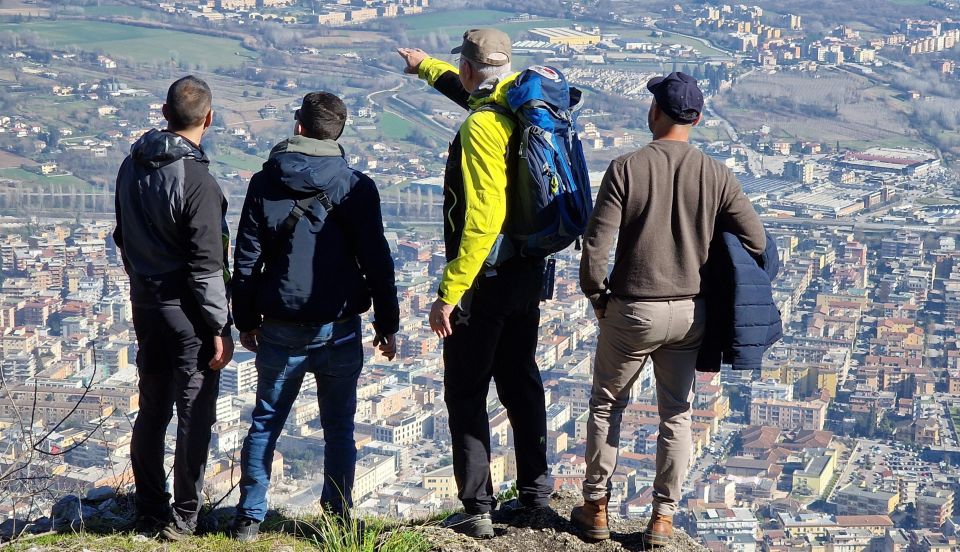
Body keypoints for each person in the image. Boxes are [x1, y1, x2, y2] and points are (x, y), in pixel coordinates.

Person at [572, 72, 766, 546]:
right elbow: (756, 240)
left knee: (606, 405)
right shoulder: (718, 175)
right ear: (697, 118)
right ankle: (662, 520)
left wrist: (598, 296)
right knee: (676, 414)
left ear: (654, 112)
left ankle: (597, 508)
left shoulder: (626, 167)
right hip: (689, 313)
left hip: (633, 309)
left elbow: (598, 246)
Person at [397, 29, 551, 540]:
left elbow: (483, 218)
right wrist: (424, 66)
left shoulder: (481, 129)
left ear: (468, 69)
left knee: (465, 389)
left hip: (484, 281)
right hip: (526, 273)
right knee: (520, 380)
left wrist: (450, 292)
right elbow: (471, 90)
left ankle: (478, 507)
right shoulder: (516, 104)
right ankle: (535, 494)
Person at [228, 92, 400, 542]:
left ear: (298, 127)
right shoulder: (356, 187)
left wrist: (245, 320)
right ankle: (338, 516)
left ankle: (249, 515)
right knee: (339, 427)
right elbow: (377, 259)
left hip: (281, 325)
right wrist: (388, 322)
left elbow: (246, 261)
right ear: (337, 132)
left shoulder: (265, 183)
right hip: (340, 327)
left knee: (266, 421)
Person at [113, 75, 234, 540]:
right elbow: (207, 267)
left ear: (165, 114)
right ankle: (184, 519)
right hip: (188, 313)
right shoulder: (197, 180)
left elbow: (122, 235)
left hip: (146, 302)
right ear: (208, 118)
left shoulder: (130, 166)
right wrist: (219, 326)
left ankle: (148, 509)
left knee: (153, 407)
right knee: (193, 410)